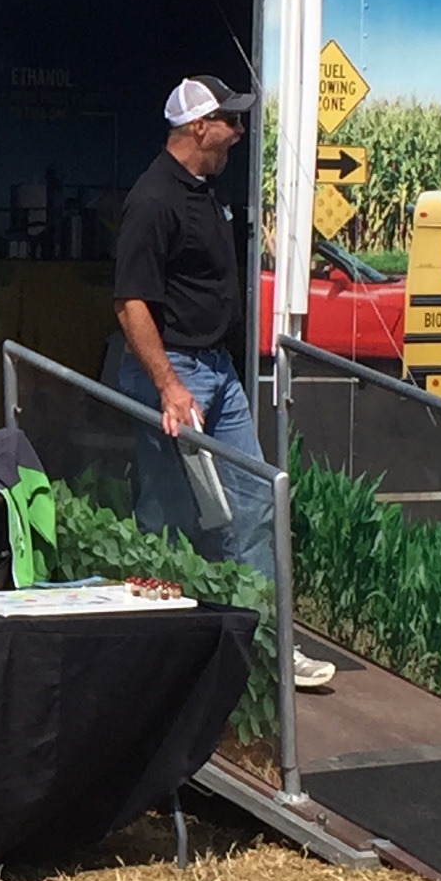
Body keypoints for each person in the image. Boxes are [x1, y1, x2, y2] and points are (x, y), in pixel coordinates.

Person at [104, 76, 335, 688]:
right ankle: (158, 654)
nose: (238, 133)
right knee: (167, 511)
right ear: (199, 127)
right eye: (230, 122)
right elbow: (131, 304)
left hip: (219, 372)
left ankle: (263, 648)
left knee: (253, 502)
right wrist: (167, 385)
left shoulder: (209, 191)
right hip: (175, 374)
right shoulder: (153, 199)